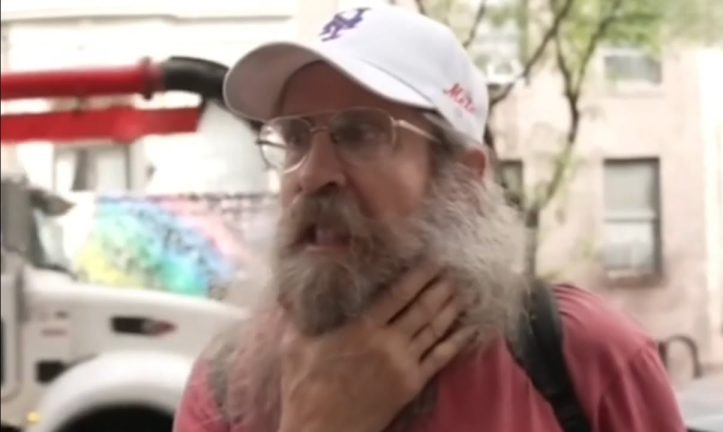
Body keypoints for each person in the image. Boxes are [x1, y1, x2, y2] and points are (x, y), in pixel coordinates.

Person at [175, 4, 687, 432]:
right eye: (295, 139)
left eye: (361, 134)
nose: (312, 175)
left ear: (463, 180)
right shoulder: (225, 385)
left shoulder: (583, 358)